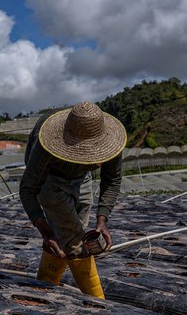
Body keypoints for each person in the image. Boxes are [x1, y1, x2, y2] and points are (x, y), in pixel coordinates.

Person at [19, 101, 127, 299]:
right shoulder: (46, 143)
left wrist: (102, 220)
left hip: (82, 176)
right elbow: (27, 188)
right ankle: (99, 305)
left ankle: (44, 287)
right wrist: (45, 231)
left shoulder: (110, 141)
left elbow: (112, 179)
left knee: (66, 237)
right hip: (50, 177)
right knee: (75, 242)